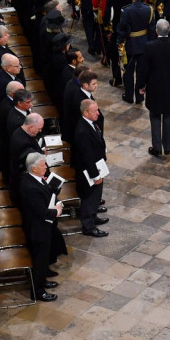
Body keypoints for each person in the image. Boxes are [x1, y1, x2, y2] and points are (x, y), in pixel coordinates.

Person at [18, 153, 63, 302]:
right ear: (35, 168)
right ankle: (38, 291)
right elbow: (41, 211)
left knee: (43, 259)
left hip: (43, 226)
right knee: (39, 260)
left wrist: (56, 201)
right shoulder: (31, 187)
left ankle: (42, 281)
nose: (46, 167)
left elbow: (48, 194)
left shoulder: (34, 178)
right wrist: (56, 210)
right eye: (43, 165)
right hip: (38, 229)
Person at [142, 20, 170, 157]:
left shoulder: (149, 46)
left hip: (154, 87)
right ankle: (167, 147)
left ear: (156, 31)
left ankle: (156, 147)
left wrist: (141, 86)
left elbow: (144, 69)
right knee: (169, 116)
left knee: (155, 116)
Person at [72, 99, 108, 237]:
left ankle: (93, 217)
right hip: (90, 172)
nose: (98, 113)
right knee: (89, 197)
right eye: (95, 111)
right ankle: (88, 226)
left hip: (97, 166)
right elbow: (86, 157)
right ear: (86, 112)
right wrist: (96, 175)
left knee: (96, 196)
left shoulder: (91, 124)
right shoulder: (82, 130)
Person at [117, 0, 154, 104]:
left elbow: (122, 29)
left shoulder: (126, 10)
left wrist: (120, 43)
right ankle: (139, 96)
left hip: (130, 45)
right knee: (141, 72)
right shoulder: (149, 9)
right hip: (144, 44)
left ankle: (129, 95)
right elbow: (152, 30)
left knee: (128, 71)